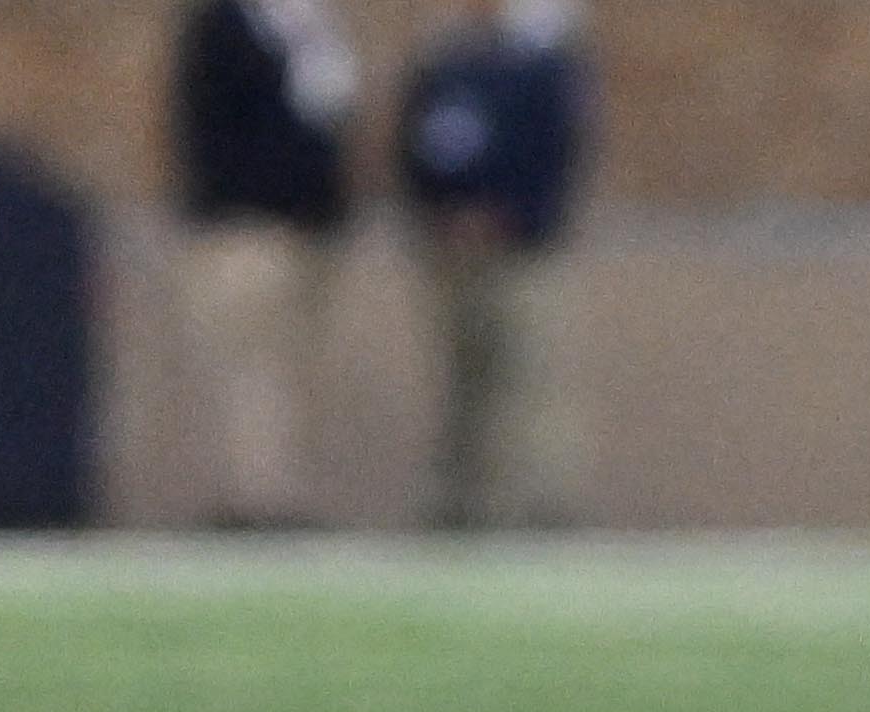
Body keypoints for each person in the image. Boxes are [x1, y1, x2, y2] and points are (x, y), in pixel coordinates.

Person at [395, 0, 585, 535]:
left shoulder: (543, 66)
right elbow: (417, 153)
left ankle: (543, 508)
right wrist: (443, 219)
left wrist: (509, 218)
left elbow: (553, 156)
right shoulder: (442, 67)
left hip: (523, 254)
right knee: (464, 384)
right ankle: (458, 508)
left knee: (530, 380)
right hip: (452, 255)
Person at [168, 0, 356, 533]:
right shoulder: (225, 27)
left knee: (293, 373)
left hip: (306, 233)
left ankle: (283, 494)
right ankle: (254, 501)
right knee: (248, 372)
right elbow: (220, 133)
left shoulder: (310, 31)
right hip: (245, 228)